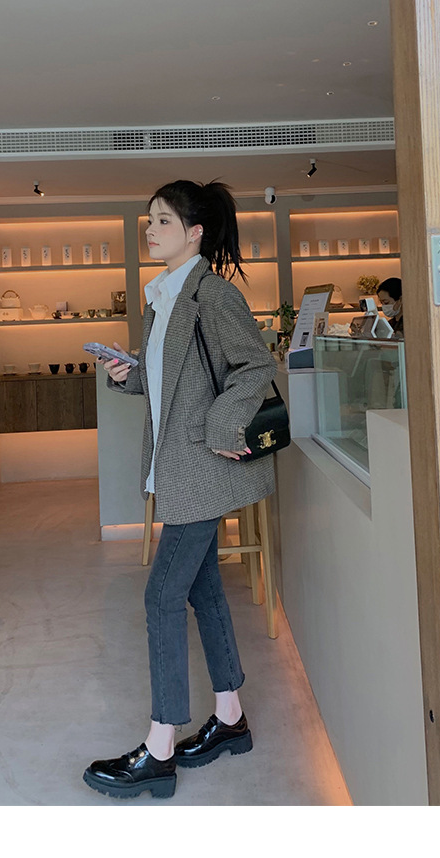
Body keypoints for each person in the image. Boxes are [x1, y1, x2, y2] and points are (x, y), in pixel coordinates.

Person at [82, 180, 277, 800]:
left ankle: (160, 747)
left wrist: (223, 426)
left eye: (163, 220)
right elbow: (171, 382)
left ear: (195, 232)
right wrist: (128, 373)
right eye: (150, 220)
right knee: (203, 589)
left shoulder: (212, 294)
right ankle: (229, 719)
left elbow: (256, 365)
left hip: (201, 468)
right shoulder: (162, 297)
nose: (151, 229)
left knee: (162, 596)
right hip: (179, 466)